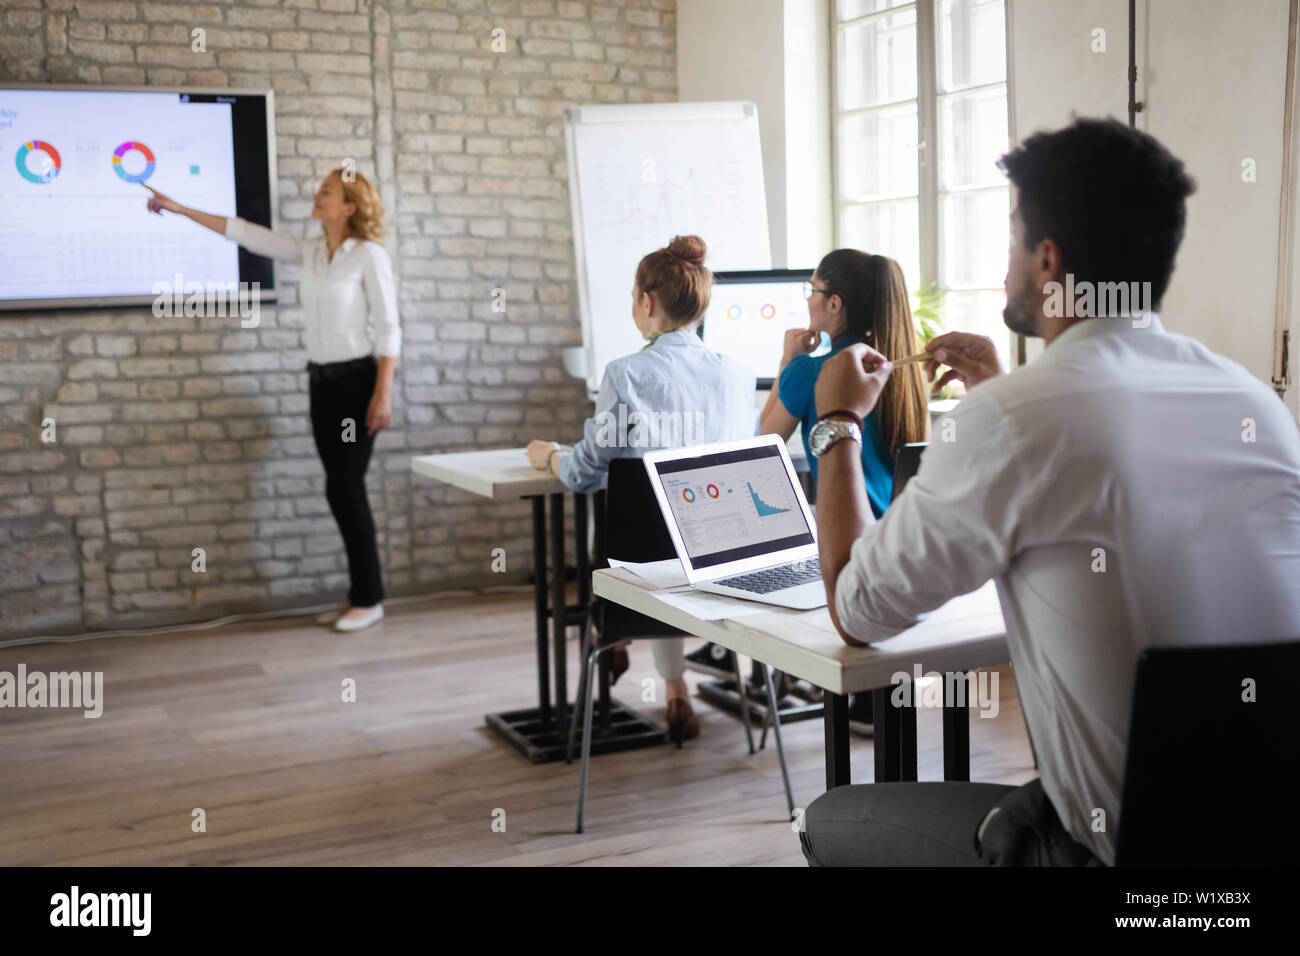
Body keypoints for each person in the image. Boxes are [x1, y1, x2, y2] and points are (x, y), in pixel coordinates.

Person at [801, 117, 1300, 866]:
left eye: (1011, 240)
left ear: (1048, 257)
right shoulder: (1255, 404)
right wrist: (1007, 397)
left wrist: (836, 420)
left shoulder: (1015, 420)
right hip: (1265, 834)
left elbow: (855, 608)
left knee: (828, 818)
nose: (1006, 264)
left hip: (1108, 857)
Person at [146, 169, 400, 634]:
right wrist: (181, 209)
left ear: (349, 206)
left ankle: (370, 598)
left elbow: (390, 328)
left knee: (345, 488)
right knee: (338, 487)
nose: (316, 193)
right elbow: (244, 233)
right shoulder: (310, 253)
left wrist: (383, 393)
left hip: (357, 384)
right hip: (320, 383)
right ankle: (361, 594)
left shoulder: (368, 255)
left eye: (327, 190)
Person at [526, 235, 756, 742]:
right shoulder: (739, 377)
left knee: (634, 524)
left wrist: (552, 456)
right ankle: (675, 689)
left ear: (647, 303)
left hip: (641, 572)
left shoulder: (625, 374)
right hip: (723, 573)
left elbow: (587, 470)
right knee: (672, 528)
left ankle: (615, 639)